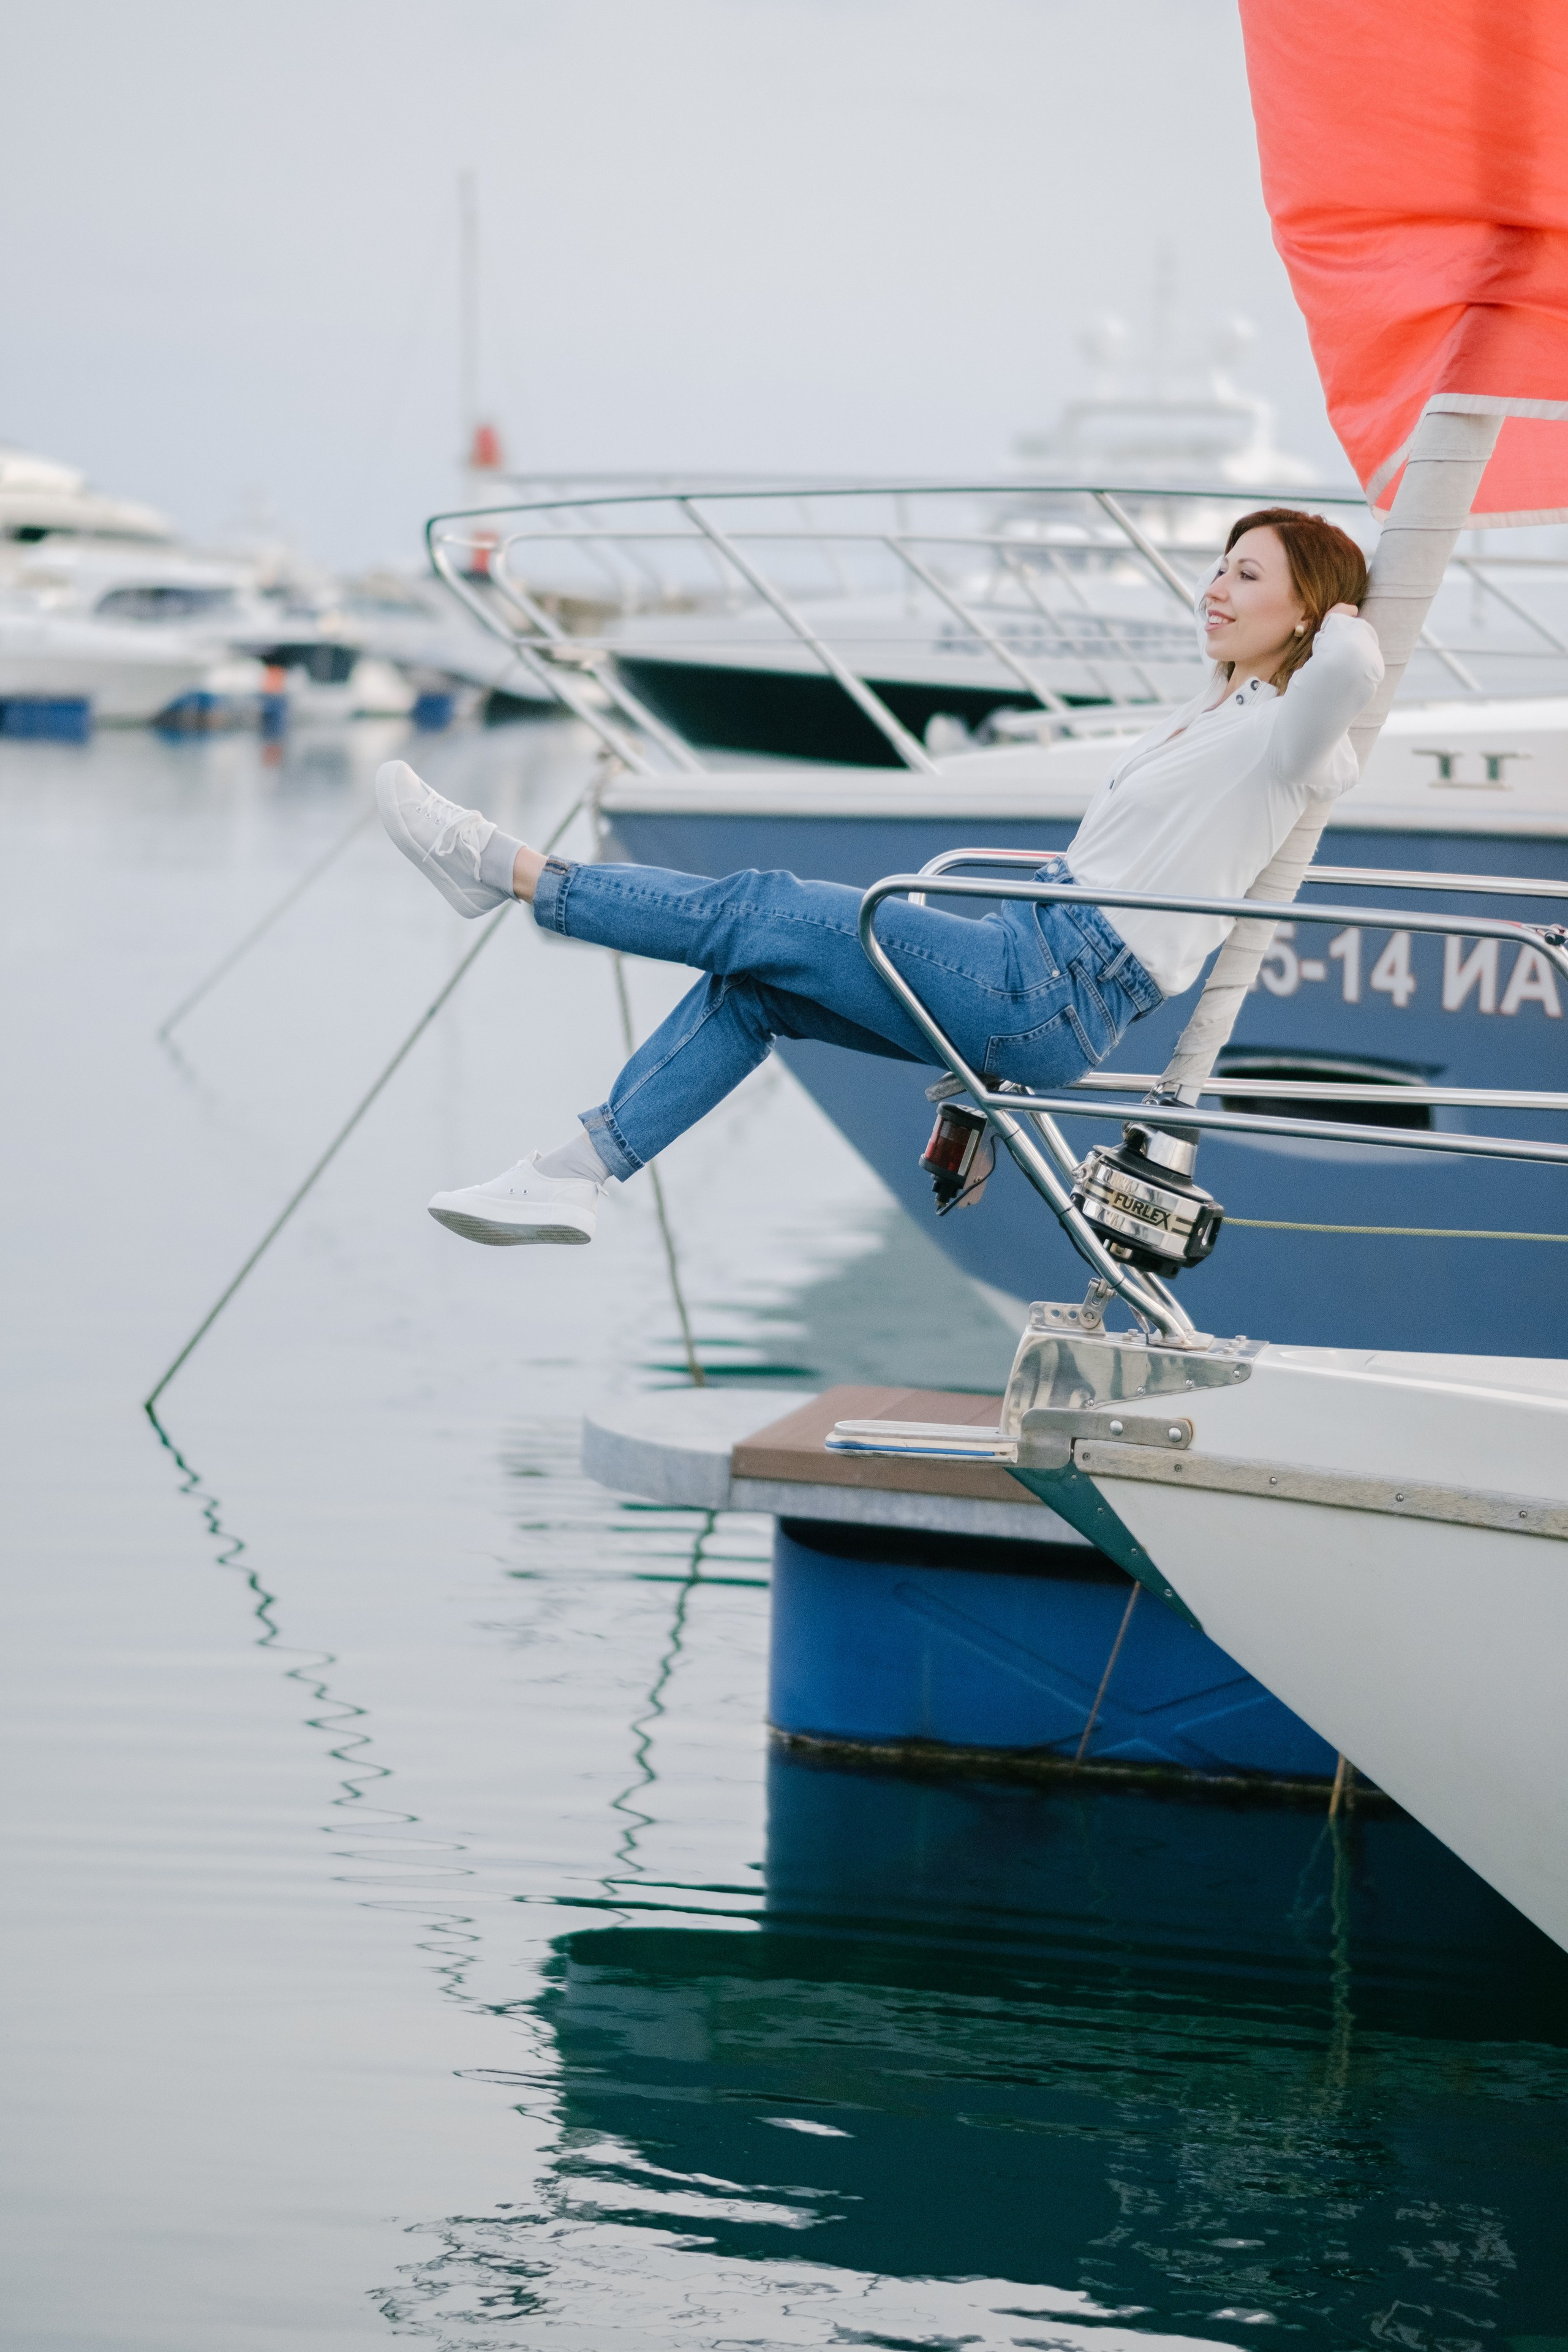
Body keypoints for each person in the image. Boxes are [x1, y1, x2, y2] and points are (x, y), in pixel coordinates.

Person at [378, 507, 1382, 1248]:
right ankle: (573, 1174)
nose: (1215, 587)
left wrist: (1349, 608)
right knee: (756, 987)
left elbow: (1348, 670)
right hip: (1027, 961)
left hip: (1052, 986)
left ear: (1306, 614)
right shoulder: (1210, 712)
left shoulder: (1292, 740)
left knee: (760, 908)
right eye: (1220, 566)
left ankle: (504, 871)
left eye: (1248, 576)